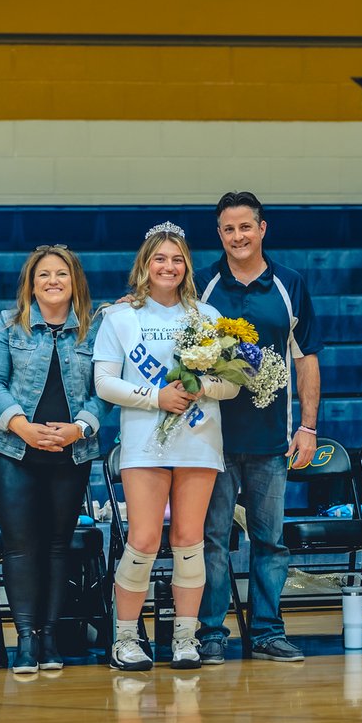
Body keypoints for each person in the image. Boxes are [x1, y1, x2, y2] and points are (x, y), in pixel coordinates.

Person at [95, 223, 240, 671]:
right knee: (141, 539)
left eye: (177, 259)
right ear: (145, 263)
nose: (169, 266)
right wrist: (157, 396)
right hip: (143, 443)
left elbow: (233, 386)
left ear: (187, 266)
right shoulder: (120, 318)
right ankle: (126, 639)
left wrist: (203, 388)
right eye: (160, 258)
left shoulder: (208, 318)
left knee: (189, 539)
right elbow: (104, 383)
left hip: (198, 437)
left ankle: (185, 637)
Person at [194, 191, 323, 664]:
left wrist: (308, 427)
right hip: (210, 440)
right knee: (212, 540)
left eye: (245, 227)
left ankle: (268, 631)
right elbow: (161, 313)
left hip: (272, 440)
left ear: (262, 228)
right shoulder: (202, 284)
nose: (237, 236)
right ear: (220, 234)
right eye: (228, 229)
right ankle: (211, 633)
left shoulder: (290, 284)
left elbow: (306, 358)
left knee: (270, 541)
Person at [0, 245, 107, 674]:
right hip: (15, 450)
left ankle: (50, 638)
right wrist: (21, 426)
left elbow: (104, 390)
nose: (53, 281)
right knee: (19, 547)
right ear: (32, 283)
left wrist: (80, 427)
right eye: (44, 275)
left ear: (75, 283)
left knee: (56, 547)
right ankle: (26, 641)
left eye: (62, 275)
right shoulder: (9, 325)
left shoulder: (95, 328)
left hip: (71, 453)